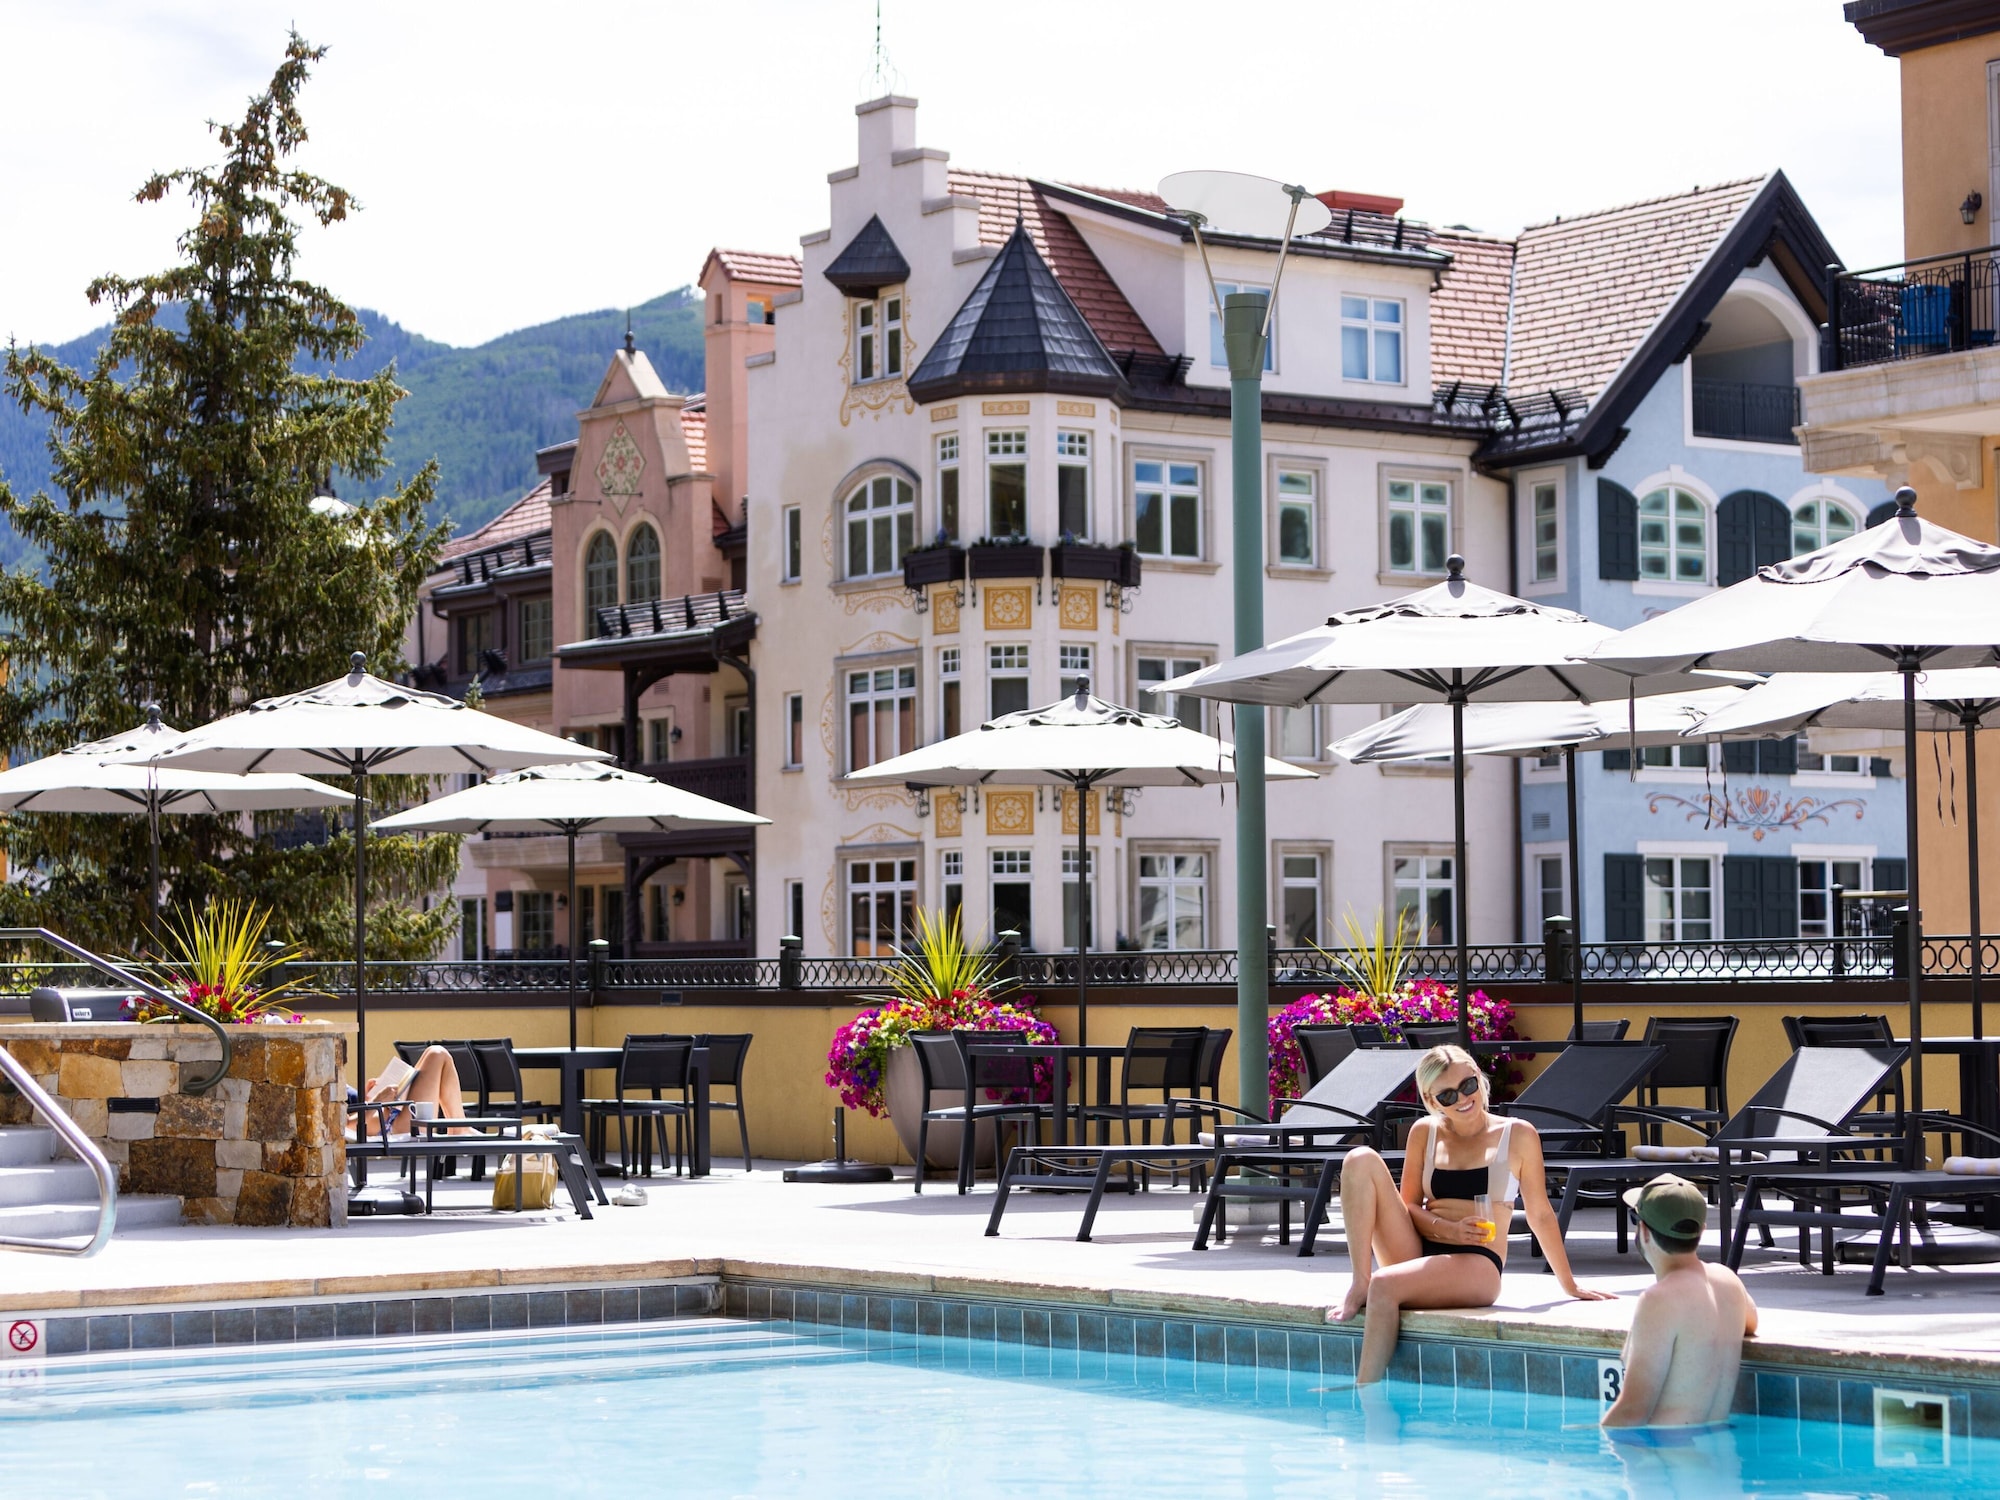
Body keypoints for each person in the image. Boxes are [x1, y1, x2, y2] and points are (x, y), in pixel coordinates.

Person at [1331, 1043, 1611, 1384]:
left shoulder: (1517, 1134)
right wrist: (1447, 1229)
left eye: (1467, 1085)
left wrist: (1569, 1283)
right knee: (1359, 1158)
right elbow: (1408, 1207)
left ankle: (1364, 1392)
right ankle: (1359, 1281)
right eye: (1447, 1095)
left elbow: (1539, 1214)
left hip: (1478, 1260)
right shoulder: (1424, 1132)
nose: (1462, 1099)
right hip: (1419, 1247)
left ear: (1479, 1077)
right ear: (1432, 1100)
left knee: (1385, 1285)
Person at [1601, 1174, 1757, 1429]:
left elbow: (1632, 1412)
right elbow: (1750, 1323)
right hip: (1718, 1445)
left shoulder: (1658, 1300)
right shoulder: (1728, 1281)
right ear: (1702, 1231)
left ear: (1643, 1231)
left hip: (1667, 1449)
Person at [347, 1045, 473, 1139]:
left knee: (432, 1053)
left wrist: (368, 1097)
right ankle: (459, 1128)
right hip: (392, 1127)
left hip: (391, 1116)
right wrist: (377, 1100)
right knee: (437, 1054)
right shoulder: (335, 1096)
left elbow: (351, 1117)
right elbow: (347, 1126)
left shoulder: (338, 1091)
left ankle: (459, 1127)